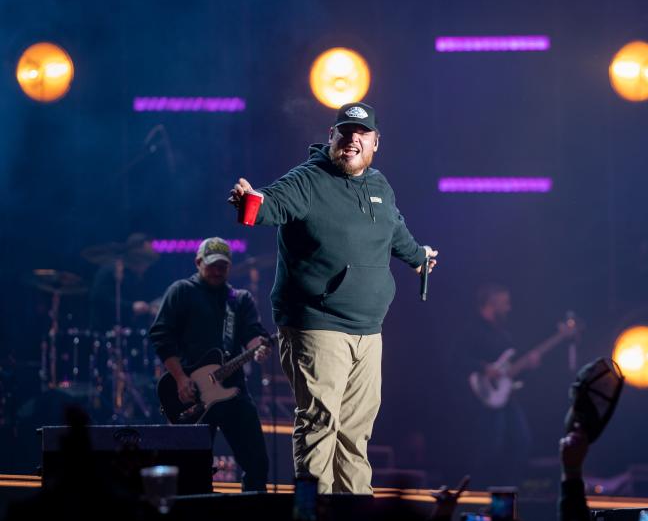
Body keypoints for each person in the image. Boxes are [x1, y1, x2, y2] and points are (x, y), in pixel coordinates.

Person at [228, 101, 438, 494]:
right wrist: (249, 204)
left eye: (361, 134)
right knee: (320, 423)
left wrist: (419, 258)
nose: (352, 140)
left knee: (355, 434)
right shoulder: (308, 180)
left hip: (368, 330)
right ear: (331, 138)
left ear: (376, 142)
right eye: (344, 133)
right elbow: (268, 203)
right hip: (316, 324)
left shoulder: (379, 186)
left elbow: (395, 233)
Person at [149, 237, 271, 491]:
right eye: (212, 265)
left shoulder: (239, 299)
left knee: (257, 463)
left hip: (233, 390)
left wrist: (257, 349)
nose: (217, 271)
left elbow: (252, 334)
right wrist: (181, 379)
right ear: (198, 262)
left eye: (222, 266)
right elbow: (161, 335)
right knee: (192, 471)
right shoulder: (182, 291)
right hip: (191, 393)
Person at [455, 284, 535, 486]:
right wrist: (483, 367)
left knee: (521, 440)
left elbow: (508, 371)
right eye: (504, 303)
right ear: (492, 304)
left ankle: (510, 489)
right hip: (481, 398)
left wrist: (528, 364)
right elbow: (456, 359)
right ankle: (479, 491)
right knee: (490, 447)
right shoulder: (471, 330)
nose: (508, 308)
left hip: (505, 395)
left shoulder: (504, 335)